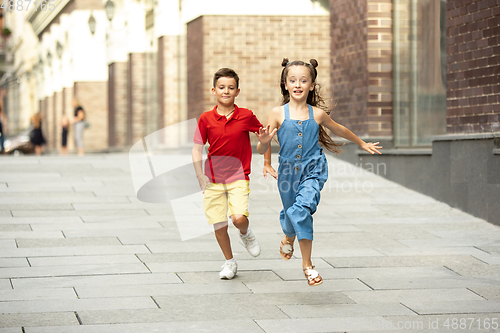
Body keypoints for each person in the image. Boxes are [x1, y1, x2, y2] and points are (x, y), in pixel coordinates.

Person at [256, 59, 382, 286]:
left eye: (303, 80)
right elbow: (265, 142)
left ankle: (308, 266)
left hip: (313, 169)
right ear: (285, 84)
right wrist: (266, 159)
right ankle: (289, 235)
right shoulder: (276, 113)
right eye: (292, 80)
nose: (298, 84)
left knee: (301, 210)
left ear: (311, 85)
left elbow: (340, 129)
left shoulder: (318, 114)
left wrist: (361, 143)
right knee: (290, 211)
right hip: (286, 173)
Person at [192, 68, 268, 280]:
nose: (226, 91)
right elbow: (197, 148)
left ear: (237, 91)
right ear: (214, 90)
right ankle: (229, 262)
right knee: (219, 224)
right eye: (222, 87)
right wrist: (199, 174)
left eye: (231, 88)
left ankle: (246, 233)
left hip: (238, 176)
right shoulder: (206, 119)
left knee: (238, 218)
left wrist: (264, 144)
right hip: (213, 179)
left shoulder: (246, 116)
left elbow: (263, 141)